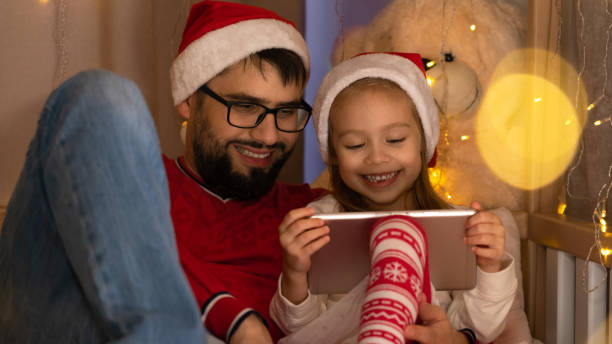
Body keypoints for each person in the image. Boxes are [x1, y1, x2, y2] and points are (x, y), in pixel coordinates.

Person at [0, 1, 324, 343]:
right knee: (102, 96)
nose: (269, 136)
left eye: (286, 112)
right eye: (245, 107)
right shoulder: (128, 182)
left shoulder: (315, 215)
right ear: (188, 99)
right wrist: (237, 319)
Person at [269, 52, 518, 344]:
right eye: (355, 145)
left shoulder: (454, 224)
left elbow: (479, 329)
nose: (376, 158)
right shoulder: (323, 221)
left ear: (424, 141)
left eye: (395, 140)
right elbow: (303, 330)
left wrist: (490, 267)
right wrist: (295, 271)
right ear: (334, 155)